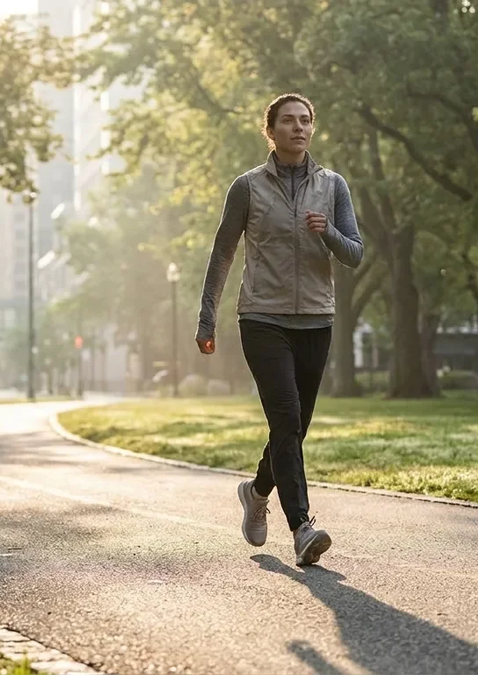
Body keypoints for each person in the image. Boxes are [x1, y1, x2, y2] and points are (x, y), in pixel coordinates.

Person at [196, 92, 363, 567]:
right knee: (287, 418)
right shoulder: (247, 187)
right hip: (262, 318)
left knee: (295, 427)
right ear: (270, 131)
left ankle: (256, 490)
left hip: (317, 318)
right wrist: (208, 317)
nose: (298, 127)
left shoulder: (333, 186)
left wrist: (326, 231)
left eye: (305, 120)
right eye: (288, 121)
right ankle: (302, 527)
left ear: (312, 129)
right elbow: (223, 253)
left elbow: (355, 252)